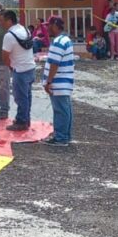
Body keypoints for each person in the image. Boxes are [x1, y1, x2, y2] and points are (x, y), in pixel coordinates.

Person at [42, 16, 74, 147]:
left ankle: (60, 138)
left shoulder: (58, 42)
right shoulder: (65, 40)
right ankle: (65, 136)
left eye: (48, 25)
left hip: (58, 82)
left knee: (60, 110)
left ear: (55, 25)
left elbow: (55, 64)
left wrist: (49, 81)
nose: (47, 28)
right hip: (64, 81)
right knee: (65, 110)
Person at [0, 10, 35, 132]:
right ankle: (26, 118)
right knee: (27, 97)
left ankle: (21, 121)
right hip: (30, 67)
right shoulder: (24, 30)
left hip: (20, 70)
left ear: (9, 20)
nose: (1, 24)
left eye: (2, 21)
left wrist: (10, 66)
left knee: (20, 97)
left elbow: (4, 56)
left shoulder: (9, 36)